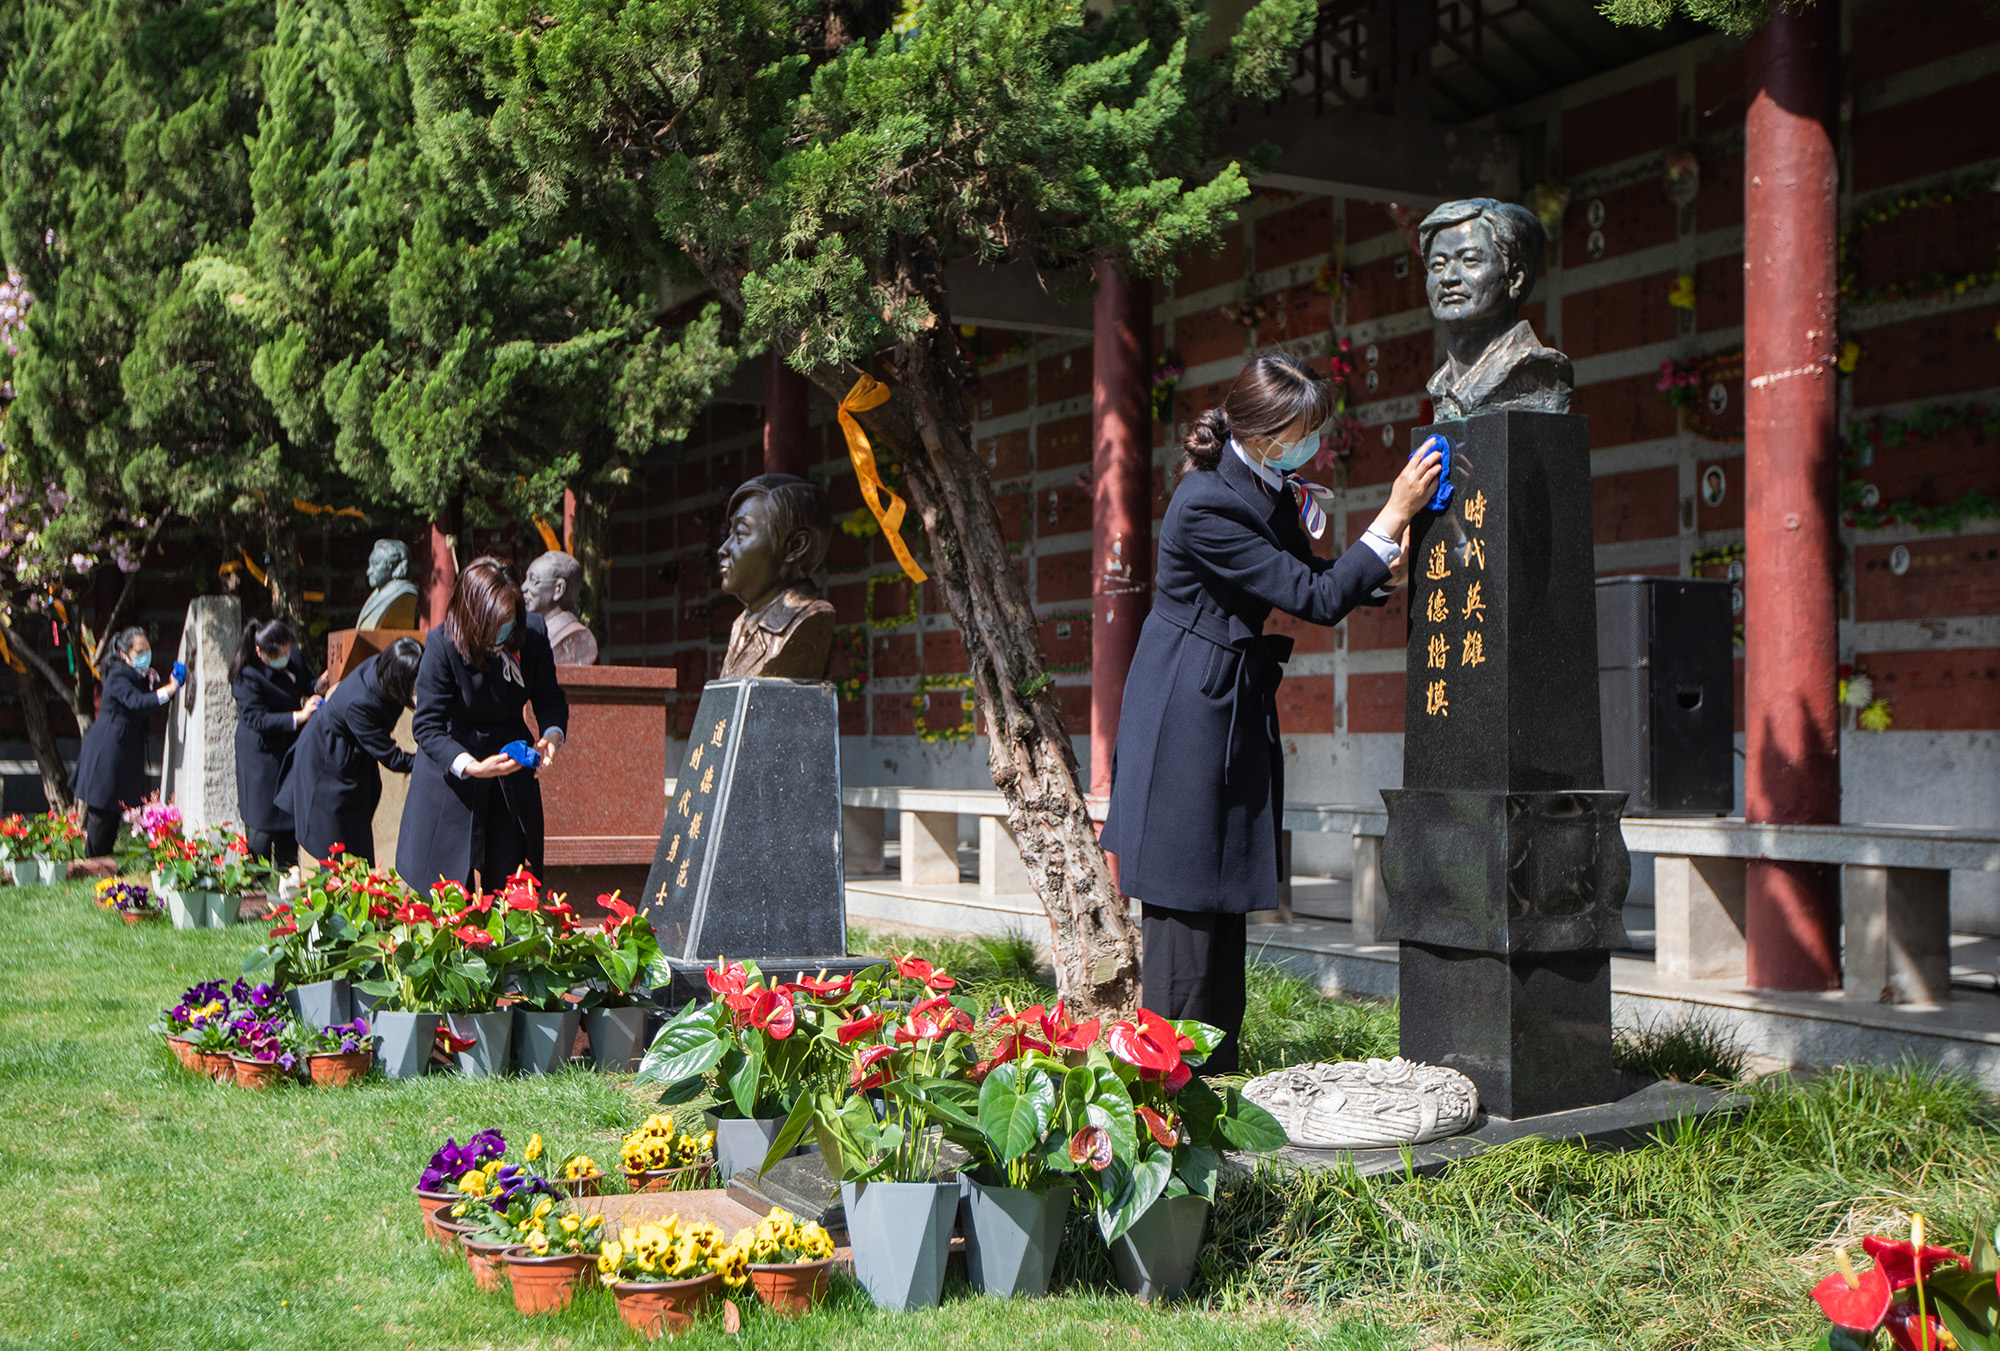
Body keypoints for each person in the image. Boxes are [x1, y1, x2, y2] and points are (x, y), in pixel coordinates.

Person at [1100, 352, 1443, 1075]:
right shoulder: (1206, 503)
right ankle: (1165, 1097)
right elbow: (1313, 597)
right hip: (1187, 714)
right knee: (1186, 912)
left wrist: (1379, 569)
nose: (1310, 444)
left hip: (1222, 701)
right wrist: (1390, 516)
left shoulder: (1260, 482)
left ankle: (1215, 1088)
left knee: (1221, 908)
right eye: (1302, 431)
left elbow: (1310, 577)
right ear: (1260, 434)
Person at [397, 557, 567, 890]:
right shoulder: (442, 645)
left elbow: (549, 697)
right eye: (493, 624)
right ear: (471, 617)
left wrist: (552, 736)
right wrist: (472, 767)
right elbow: (428, 726)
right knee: (447, 890)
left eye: (508, 620)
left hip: (509, 769)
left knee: (510, 882)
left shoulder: (531, 634)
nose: (502, 631)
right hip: (455, 770)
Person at [278, 637, 424, 865]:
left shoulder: (384, 668)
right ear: (400, 677)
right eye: (416, 679)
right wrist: (432, 761)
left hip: (352, 755)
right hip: (326, 761)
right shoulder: (361, 703)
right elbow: (393, 758)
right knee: (336, 844)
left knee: (357, 838)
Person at [72, 628, 182, 857]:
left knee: (113, 813)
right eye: (139, 651)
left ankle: (102, 864)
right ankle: (93, 864)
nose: (145, 655)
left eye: (147, 650)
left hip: (122, 754)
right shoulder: (118, 676)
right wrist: (169, 689)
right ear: (124, 654)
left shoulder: (138, 675)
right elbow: (136, 702)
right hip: (107, 753)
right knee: (102, 814)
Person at [231, 619, 320, 868]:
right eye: (277, 655)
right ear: (260, 652)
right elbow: (255, 718)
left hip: (289, 747)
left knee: (289, 815)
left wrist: (318, 685)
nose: (285, 658)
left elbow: (305, 682)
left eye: (287, 651)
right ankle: (254, 877)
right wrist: (299, 716)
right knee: (263, 820)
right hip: (260, 752)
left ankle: (287, 873)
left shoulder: (294, 656)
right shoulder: (247, 673)